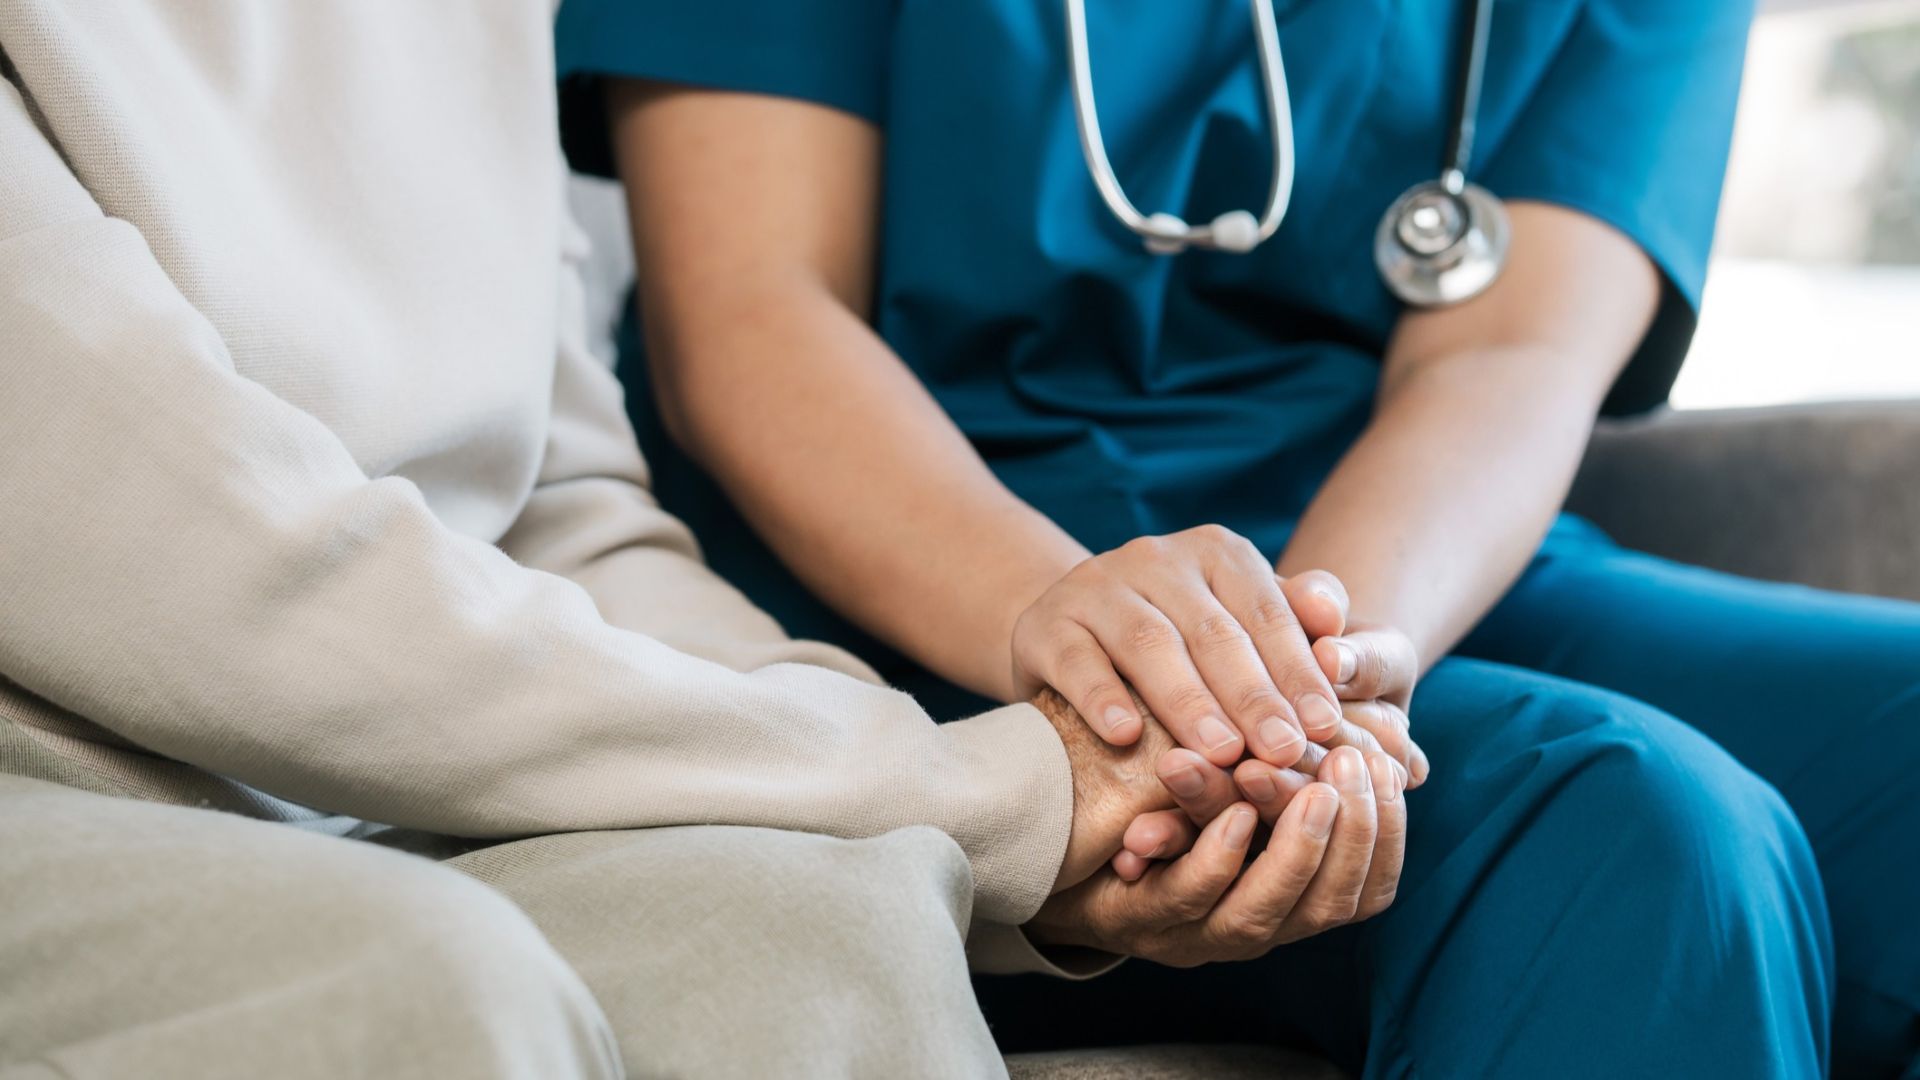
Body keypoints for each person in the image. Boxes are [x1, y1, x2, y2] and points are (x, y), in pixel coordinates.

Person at [0, 4, 1407, 1077]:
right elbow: (240, 581)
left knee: (817, 920)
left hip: (369, 790)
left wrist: (1083, 802)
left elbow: (564, 516)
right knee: (417, 984)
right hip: (59, 805)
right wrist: (994, 791)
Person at [555, 0, 1920, 1075]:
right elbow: (748, 313)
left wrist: (1313, 660)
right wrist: (1105, 635)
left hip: (1408, 570)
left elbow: (1507, 357)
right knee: (1624, 829)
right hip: (915, 577)